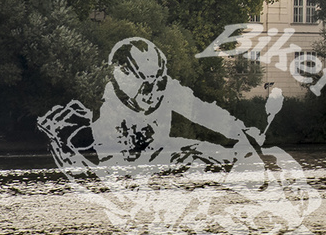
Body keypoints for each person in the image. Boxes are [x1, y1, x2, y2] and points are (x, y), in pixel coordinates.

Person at [90, 37, 265, 175]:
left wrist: (239, 130)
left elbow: (202, 111)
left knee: (208, 154)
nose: (154, 90)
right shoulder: (107, 103)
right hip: (124, 162)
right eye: (148, 81)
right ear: (123, 76)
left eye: (159, 79)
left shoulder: (165, 87)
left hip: (155, 160)